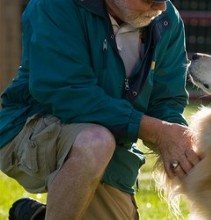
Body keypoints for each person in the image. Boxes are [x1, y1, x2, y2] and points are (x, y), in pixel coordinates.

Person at [0, 0, 200, 219]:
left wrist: (179, 145)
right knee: (95, 142)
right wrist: (155, 131)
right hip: (29, 127)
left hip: (110, 149)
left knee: (98, 145)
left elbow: (166, 103)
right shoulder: (55, 5)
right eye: (149, 0)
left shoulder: (167, 19)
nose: (161, 7)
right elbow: (67, 92)